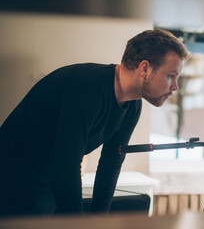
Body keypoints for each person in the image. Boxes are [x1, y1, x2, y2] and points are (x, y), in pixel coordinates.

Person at [0, 29, 190, 217]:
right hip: (12, 177)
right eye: (170, 76)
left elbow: (111, 164)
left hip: (48, 180)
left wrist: (99, 222)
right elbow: (66, 167)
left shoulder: (133, 106)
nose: (175, 87)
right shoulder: (88, 89)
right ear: (144, 68)